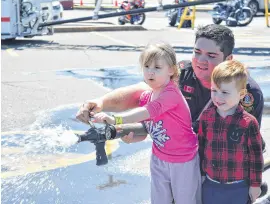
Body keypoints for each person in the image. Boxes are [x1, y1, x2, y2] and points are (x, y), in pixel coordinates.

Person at [76, 24, 268, 202]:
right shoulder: (182, 73)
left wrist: (251, 185)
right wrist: (101, 103)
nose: (201, 61)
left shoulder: (246, 91)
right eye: (197, 52)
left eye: (211, 55)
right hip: (176, 157)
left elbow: (241, 144)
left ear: (228, 60)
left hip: (220, 169)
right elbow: (141, 92)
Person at [92, 42, 201, 204]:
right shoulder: (147, 97)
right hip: (159, 158)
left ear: (171, 70)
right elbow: (149, 129)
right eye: (147, 66)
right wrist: (131, 137)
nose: (150, 71)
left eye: (157, 67)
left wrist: (116, 119)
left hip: (183, 160)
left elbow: (149, 111)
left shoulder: (171, 94)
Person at [198, 60, 263, 204]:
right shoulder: (207, 117)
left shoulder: (248, 122)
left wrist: (255, 185)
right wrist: (201, 175)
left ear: (241, 94)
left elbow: (256, 157)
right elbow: (201, 147)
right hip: (210, 183)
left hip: (238, 186)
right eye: (214, 90)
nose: (218, 97)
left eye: (225, 92)